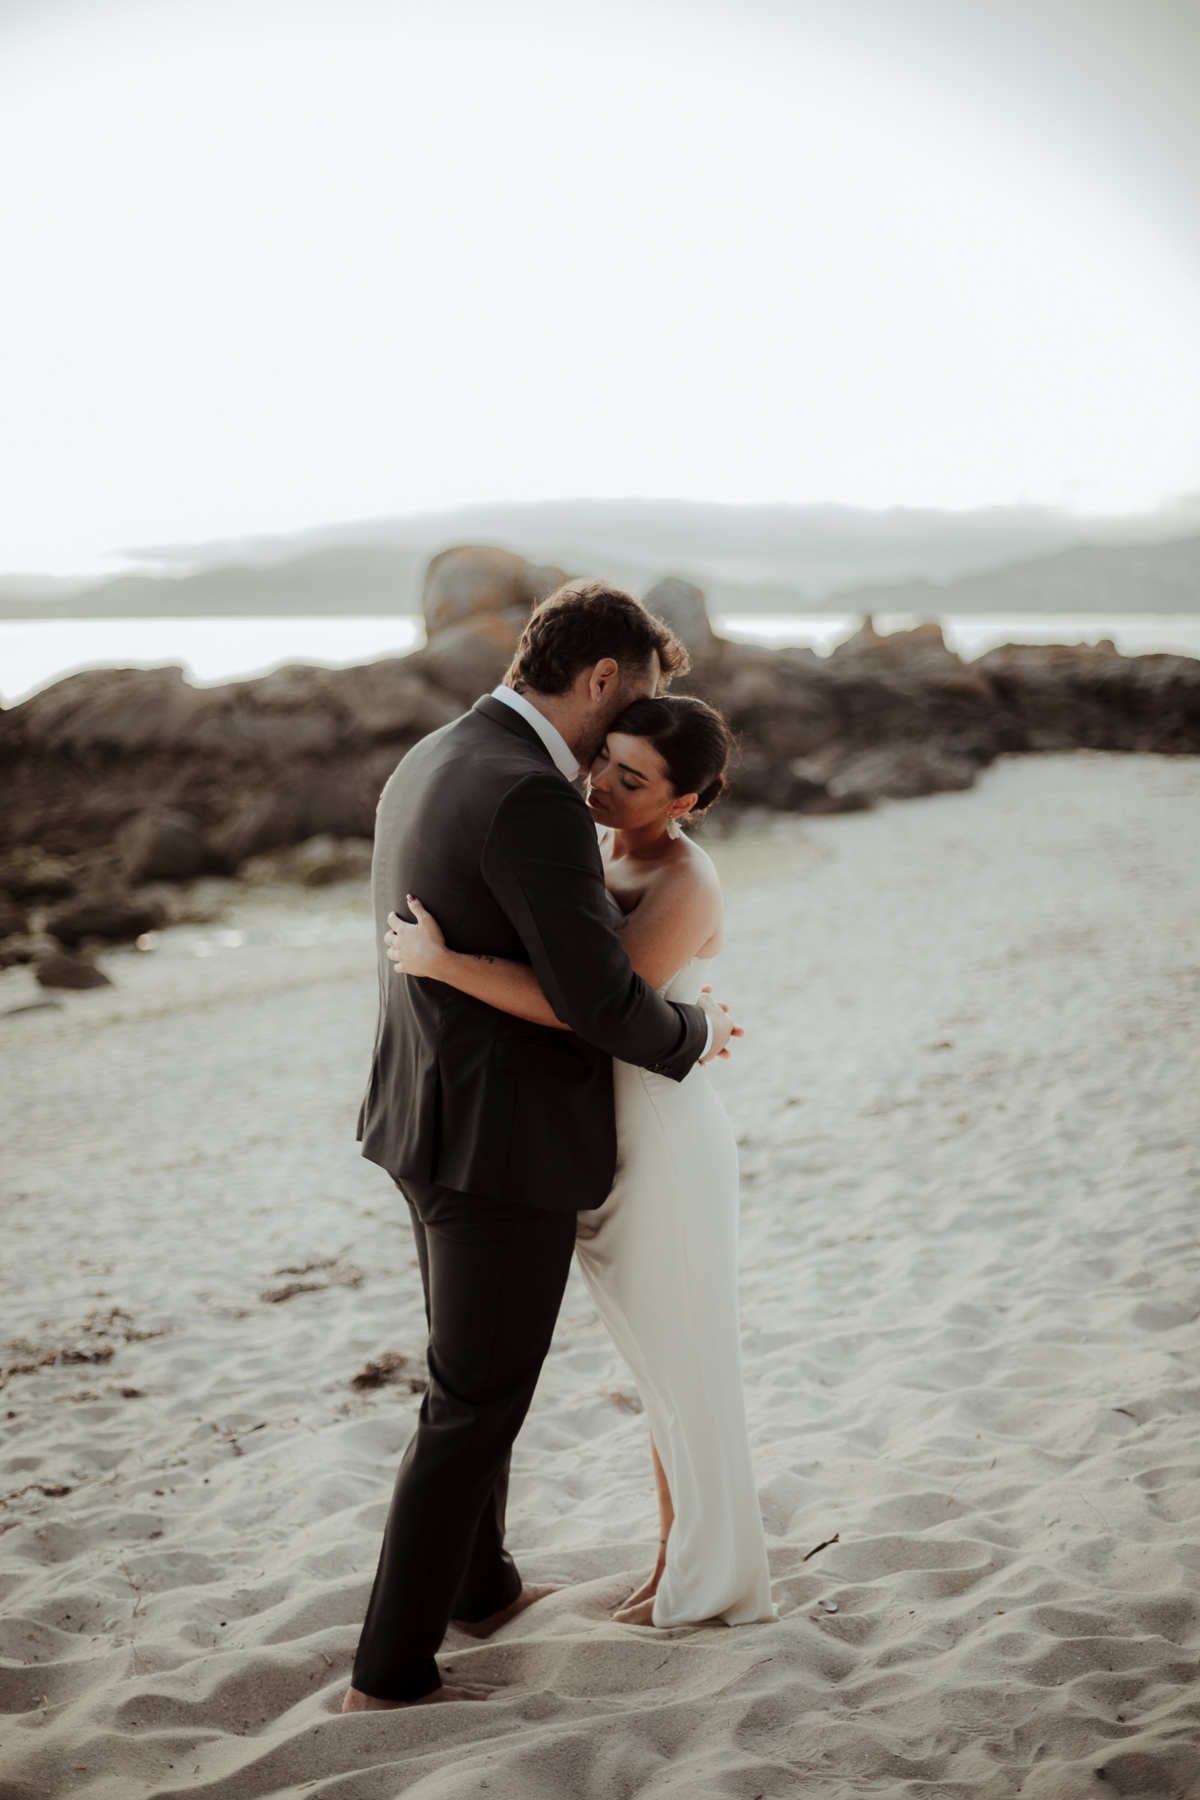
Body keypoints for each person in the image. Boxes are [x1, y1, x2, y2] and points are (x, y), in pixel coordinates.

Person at [343, 580, 739, 1712]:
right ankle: (390, 1673)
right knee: (472, 1404)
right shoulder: (530, 795)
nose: (626, 735)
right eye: (640, 697)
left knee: (475, 1382)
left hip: (421, 1117)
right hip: (498, 1145)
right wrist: (700, 1030)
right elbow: (601, 1002)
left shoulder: (435, 751)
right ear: (605, 676)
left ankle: (484, 1585)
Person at [386, 691, 774, 1630]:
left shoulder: (684, 881)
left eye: (631, 779)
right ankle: (670, 1567)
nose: (598, 784)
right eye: (604, 760)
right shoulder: (607, 847)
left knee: (691, 1371)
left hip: (666, 1143)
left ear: (683, 803)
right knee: (658, 1373)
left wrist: (445, 966)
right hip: (606, 1144)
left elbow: (588, 1007)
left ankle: (711, 1579)